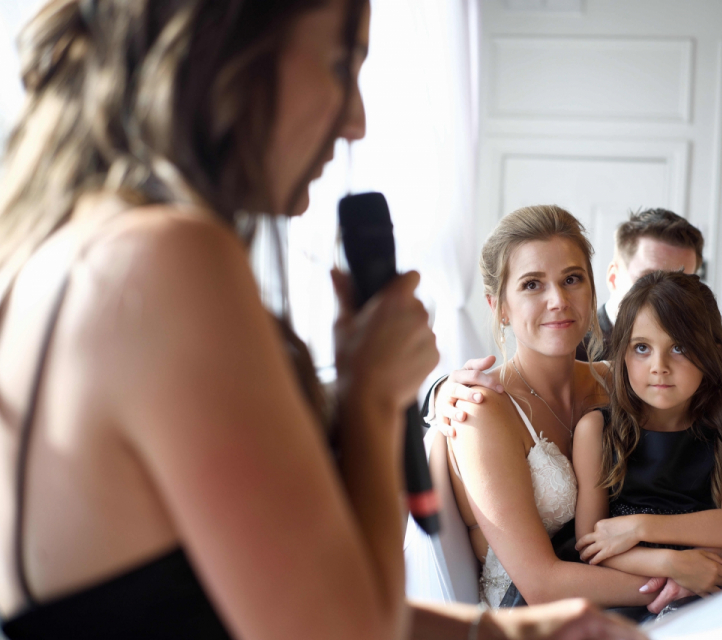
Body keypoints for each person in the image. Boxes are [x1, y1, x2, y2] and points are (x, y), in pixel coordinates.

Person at [0, 1, 645, 639]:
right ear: (229, 56)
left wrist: (511, 634)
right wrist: (372, 400)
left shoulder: (61, 254)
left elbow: (265, 598)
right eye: (342, 64)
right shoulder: (169, 262)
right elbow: (344, 630)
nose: (356, 122)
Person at [442, 204, 669, 612]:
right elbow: (540, 584)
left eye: (572, 279)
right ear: (500, 307)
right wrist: (674, 581)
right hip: (532, 620)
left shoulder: (618, 382)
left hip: (632, 601)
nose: (558, 300)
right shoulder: (481, 411)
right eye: (532, 285)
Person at [571, 271, 722, 599]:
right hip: (627, 590)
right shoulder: (596, 431)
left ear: (711, 353)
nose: (659, 366)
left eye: (679, 347)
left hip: (709, 577)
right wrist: (672, 563)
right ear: (622, 354)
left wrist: (641, 526)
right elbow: (590, 546)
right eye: (642, 347)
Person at [575, 208, 703, 362]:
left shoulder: (697, 354)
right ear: (613, 278)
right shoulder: (573, 350)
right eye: (647, 279)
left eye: (680, 285)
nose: (664, 296)